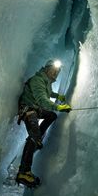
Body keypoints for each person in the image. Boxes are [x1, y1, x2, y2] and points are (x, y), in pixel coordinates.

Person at [15, 59, 72, 187]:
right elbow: (42, 99)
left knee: (51, 116)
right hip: (28, 109)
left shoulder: (46, 82)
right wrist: (58, 107)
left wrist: (57, 96)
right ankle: (23, 172)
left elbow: (48, 93)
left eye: (58, 72)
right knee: (34, 135)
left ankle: (37, 139)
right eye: (54, 70)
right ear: (46, 69)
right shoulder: (37, 80)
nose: (56, 73)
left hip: (35, 108)